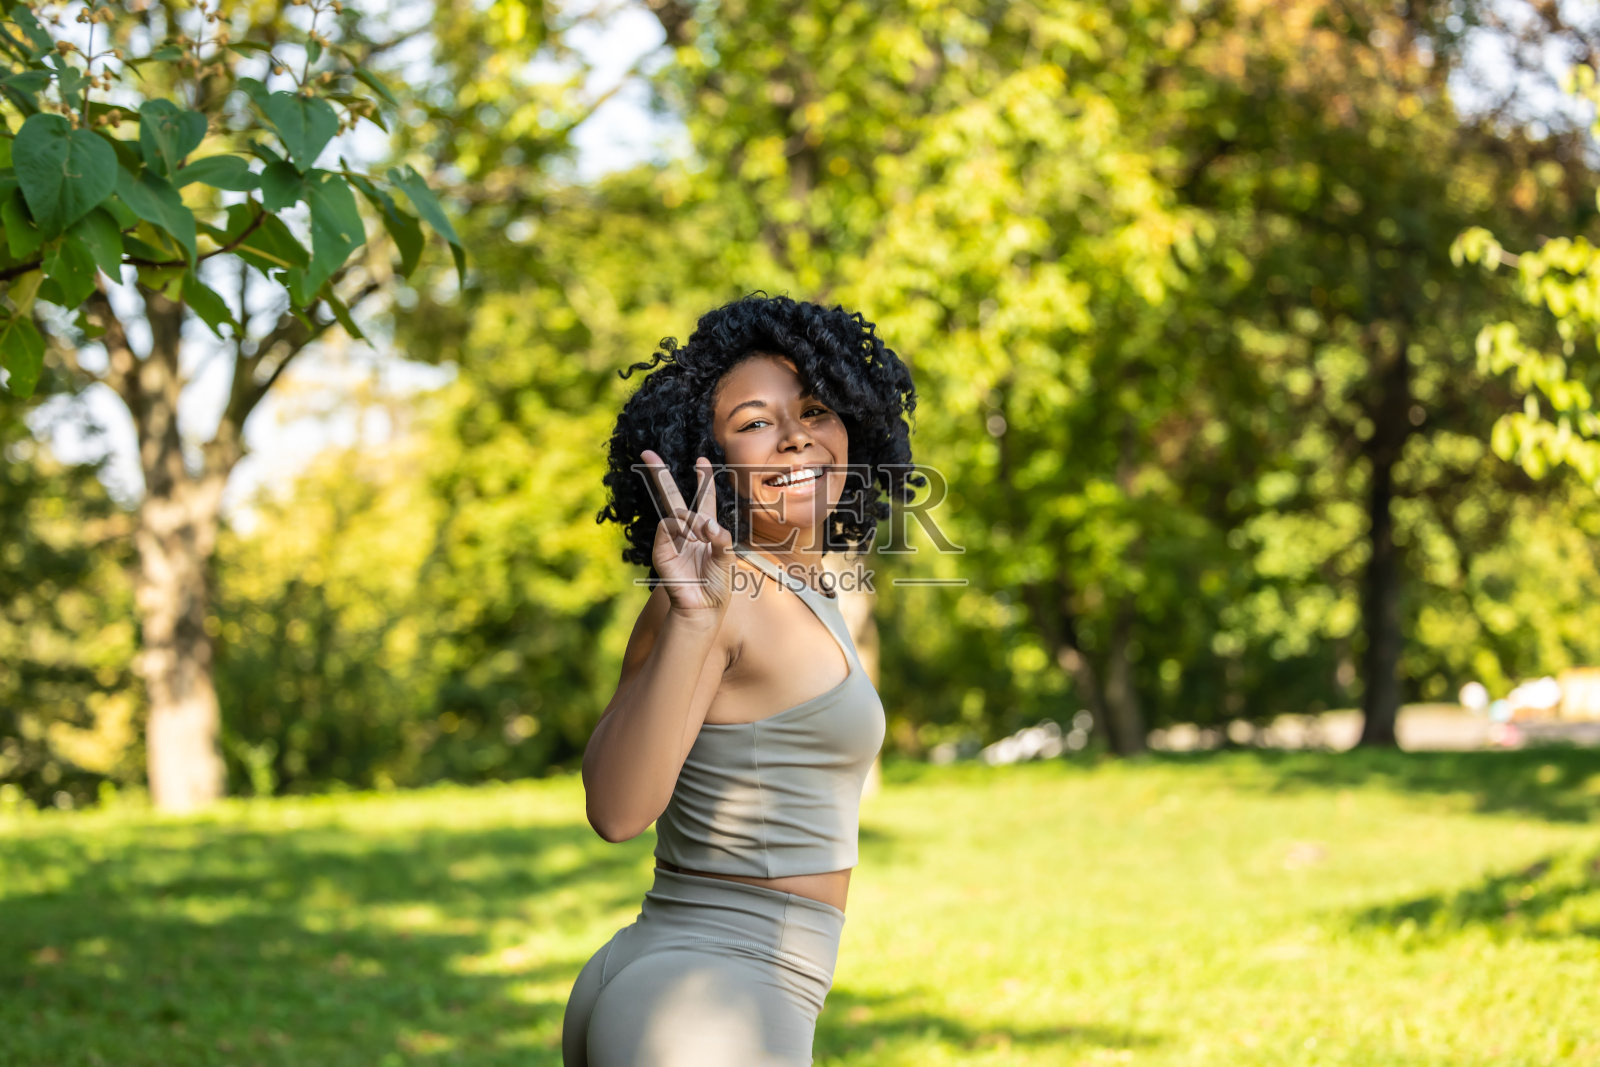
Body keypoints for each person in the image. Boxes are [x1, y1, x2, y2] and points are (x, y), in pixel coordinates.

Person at [563, 294, 923, 1066]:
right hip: (707, 999)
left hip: (694, 981)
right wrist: (693, 616)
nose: (796, 436)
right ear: (711, 459)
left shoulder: (799, 587)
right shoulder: (719, 595)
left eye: (817, 409)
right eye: (756, 421)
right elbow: (617, 809)